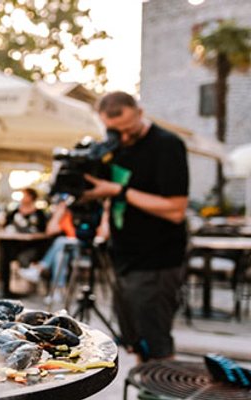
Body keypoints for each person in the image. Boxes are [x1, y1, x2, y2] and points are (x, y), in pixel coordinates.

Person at [82, 91, 189, 362]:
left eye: (128, 129)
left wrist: (119, 190)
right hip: (123, 257)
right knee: (136, 343)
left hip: (157, 260)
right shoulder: (115, 147)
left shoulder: (167, 145)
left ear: (140, 113)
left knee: (157, 344)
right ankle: (145, 389)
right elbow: (108, 197)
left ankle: (161, 391)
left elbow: (176, 210)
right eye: (114, 131)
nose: (124, 137)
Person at [18, 199, 109, 304]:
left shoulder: (96, 211)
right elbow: (50, 231)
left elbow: (103, 235)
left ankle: (40, 268)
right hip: (69, 250)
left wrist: (106, 211)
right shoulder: (68, 213)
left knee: (61, 241)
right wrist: (59, 212)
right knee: (60, 254)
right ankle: (57, 291)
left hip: (86, 251)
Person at [4, 188, 47, 269]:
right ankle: (3, 280)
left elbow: (43, 230)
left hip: (33, 246)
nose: (22, 198)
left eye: (24, 195)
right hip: (15, 244)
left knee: (24, 258)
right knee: (3, 254)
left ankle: (32, 276)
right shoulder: (15, 212)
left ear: (31, 197)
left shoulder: (39, 214)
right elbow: (6, 225)